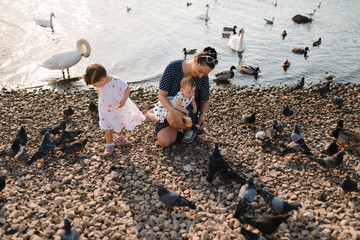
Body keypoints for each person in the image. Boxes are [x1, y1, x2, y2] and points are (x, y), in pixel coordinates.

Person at [154, 46, 218, 148]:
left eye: (205, 74)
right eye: (200, 71)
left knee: (176, 120)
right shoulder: (173, 67)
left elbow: (205, 101)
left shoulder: (203, 77)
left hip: (189, 109)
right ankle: (169, 120)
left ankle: (189, 128)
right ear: (196, 60)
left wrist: (202, 115)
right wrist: (174, 112)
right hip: (169, 106)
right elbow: (162, 96)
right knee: (165, 142)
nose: (201, 76)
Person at [84, 63, 146, 156]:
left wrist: (123, 100)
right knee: (108, 129)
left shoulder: (116, 81)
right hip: (105, 109)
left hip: (117, 108)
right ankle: (109, 144)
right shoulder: (99, 84)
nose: (94, 86)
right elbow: (99, 93)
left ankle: (118, 136)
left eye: (95, 84)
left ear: (103, 79)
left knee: (119, 125)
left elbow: (127, 88)